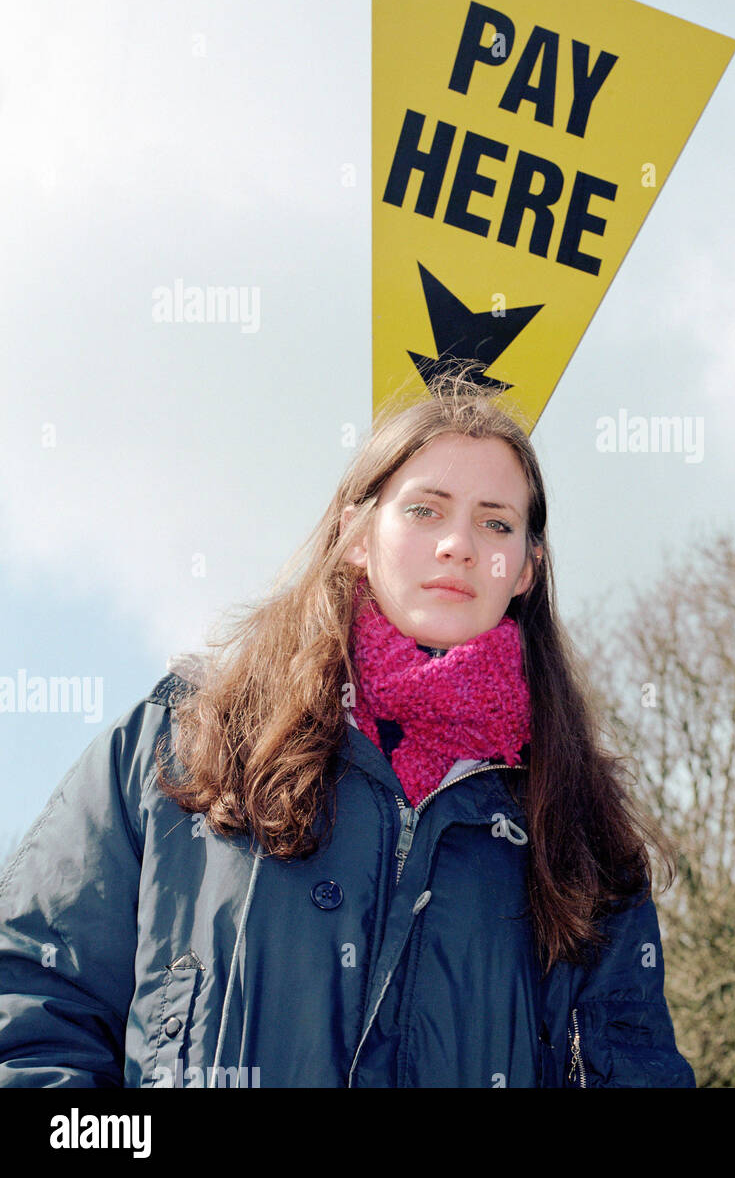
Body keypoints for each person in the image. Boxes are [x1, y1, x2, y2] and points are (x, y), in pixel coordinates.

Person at [0, 366, 695, 1088]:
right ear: (356, 534)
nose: (459, 543)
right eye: (426, 510)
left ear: (525, 568)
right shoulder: (184, 740)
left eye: (496, 522)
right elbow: (33, 1009)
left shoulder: (581, 831)